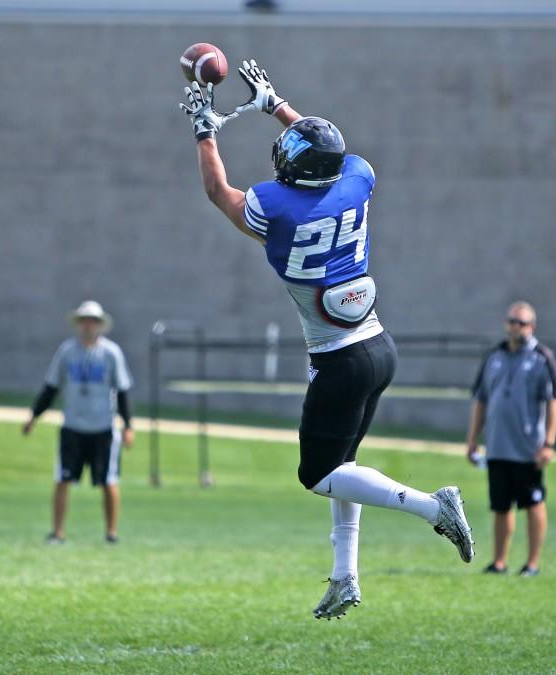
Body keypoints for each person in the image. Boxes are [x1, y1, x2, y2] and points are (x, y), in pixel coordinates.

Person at [179, 60, 475, 619]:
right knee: (346, 468)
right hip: (378, 348)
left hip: (339, 360)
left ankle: (434, 507)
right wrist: (278, 107)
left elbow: (220, 191)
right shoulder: (359, 178)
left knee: (317, 475)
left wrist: (204, 129)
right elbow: (332, 152)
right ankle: (345, 577)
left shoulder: (276, 206)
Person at [22, 301, 134, 544]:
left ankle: (111, 533)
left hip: (103, 427)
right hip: (73, 426)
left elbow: (123, 391)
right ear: (78, 323)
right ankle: (58, 532)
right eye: (84, 320)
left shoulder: (111, 353)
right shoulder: (67, 352)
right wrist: (34, 416)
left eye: (92, 321)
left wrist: (128, 426)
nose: (88, 325)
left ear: (99, 325)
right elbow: (51, 387)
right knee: (63, 479)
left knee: (108, 480)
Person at [466, 301, 556, 577]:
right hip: (497, 447)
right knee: (500, 506)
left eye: (521, 323)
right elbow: (480, 400)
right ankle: (499, 561)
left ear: (531, 327)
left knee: (533, 503)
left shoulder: (542, 357)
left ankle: (532, 564)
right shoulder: (493, 356)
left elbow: (554, 401)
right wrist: (472, 439)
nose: (514, 327)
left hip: (528, 449)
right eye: (511, 321)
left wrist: (549, 443)